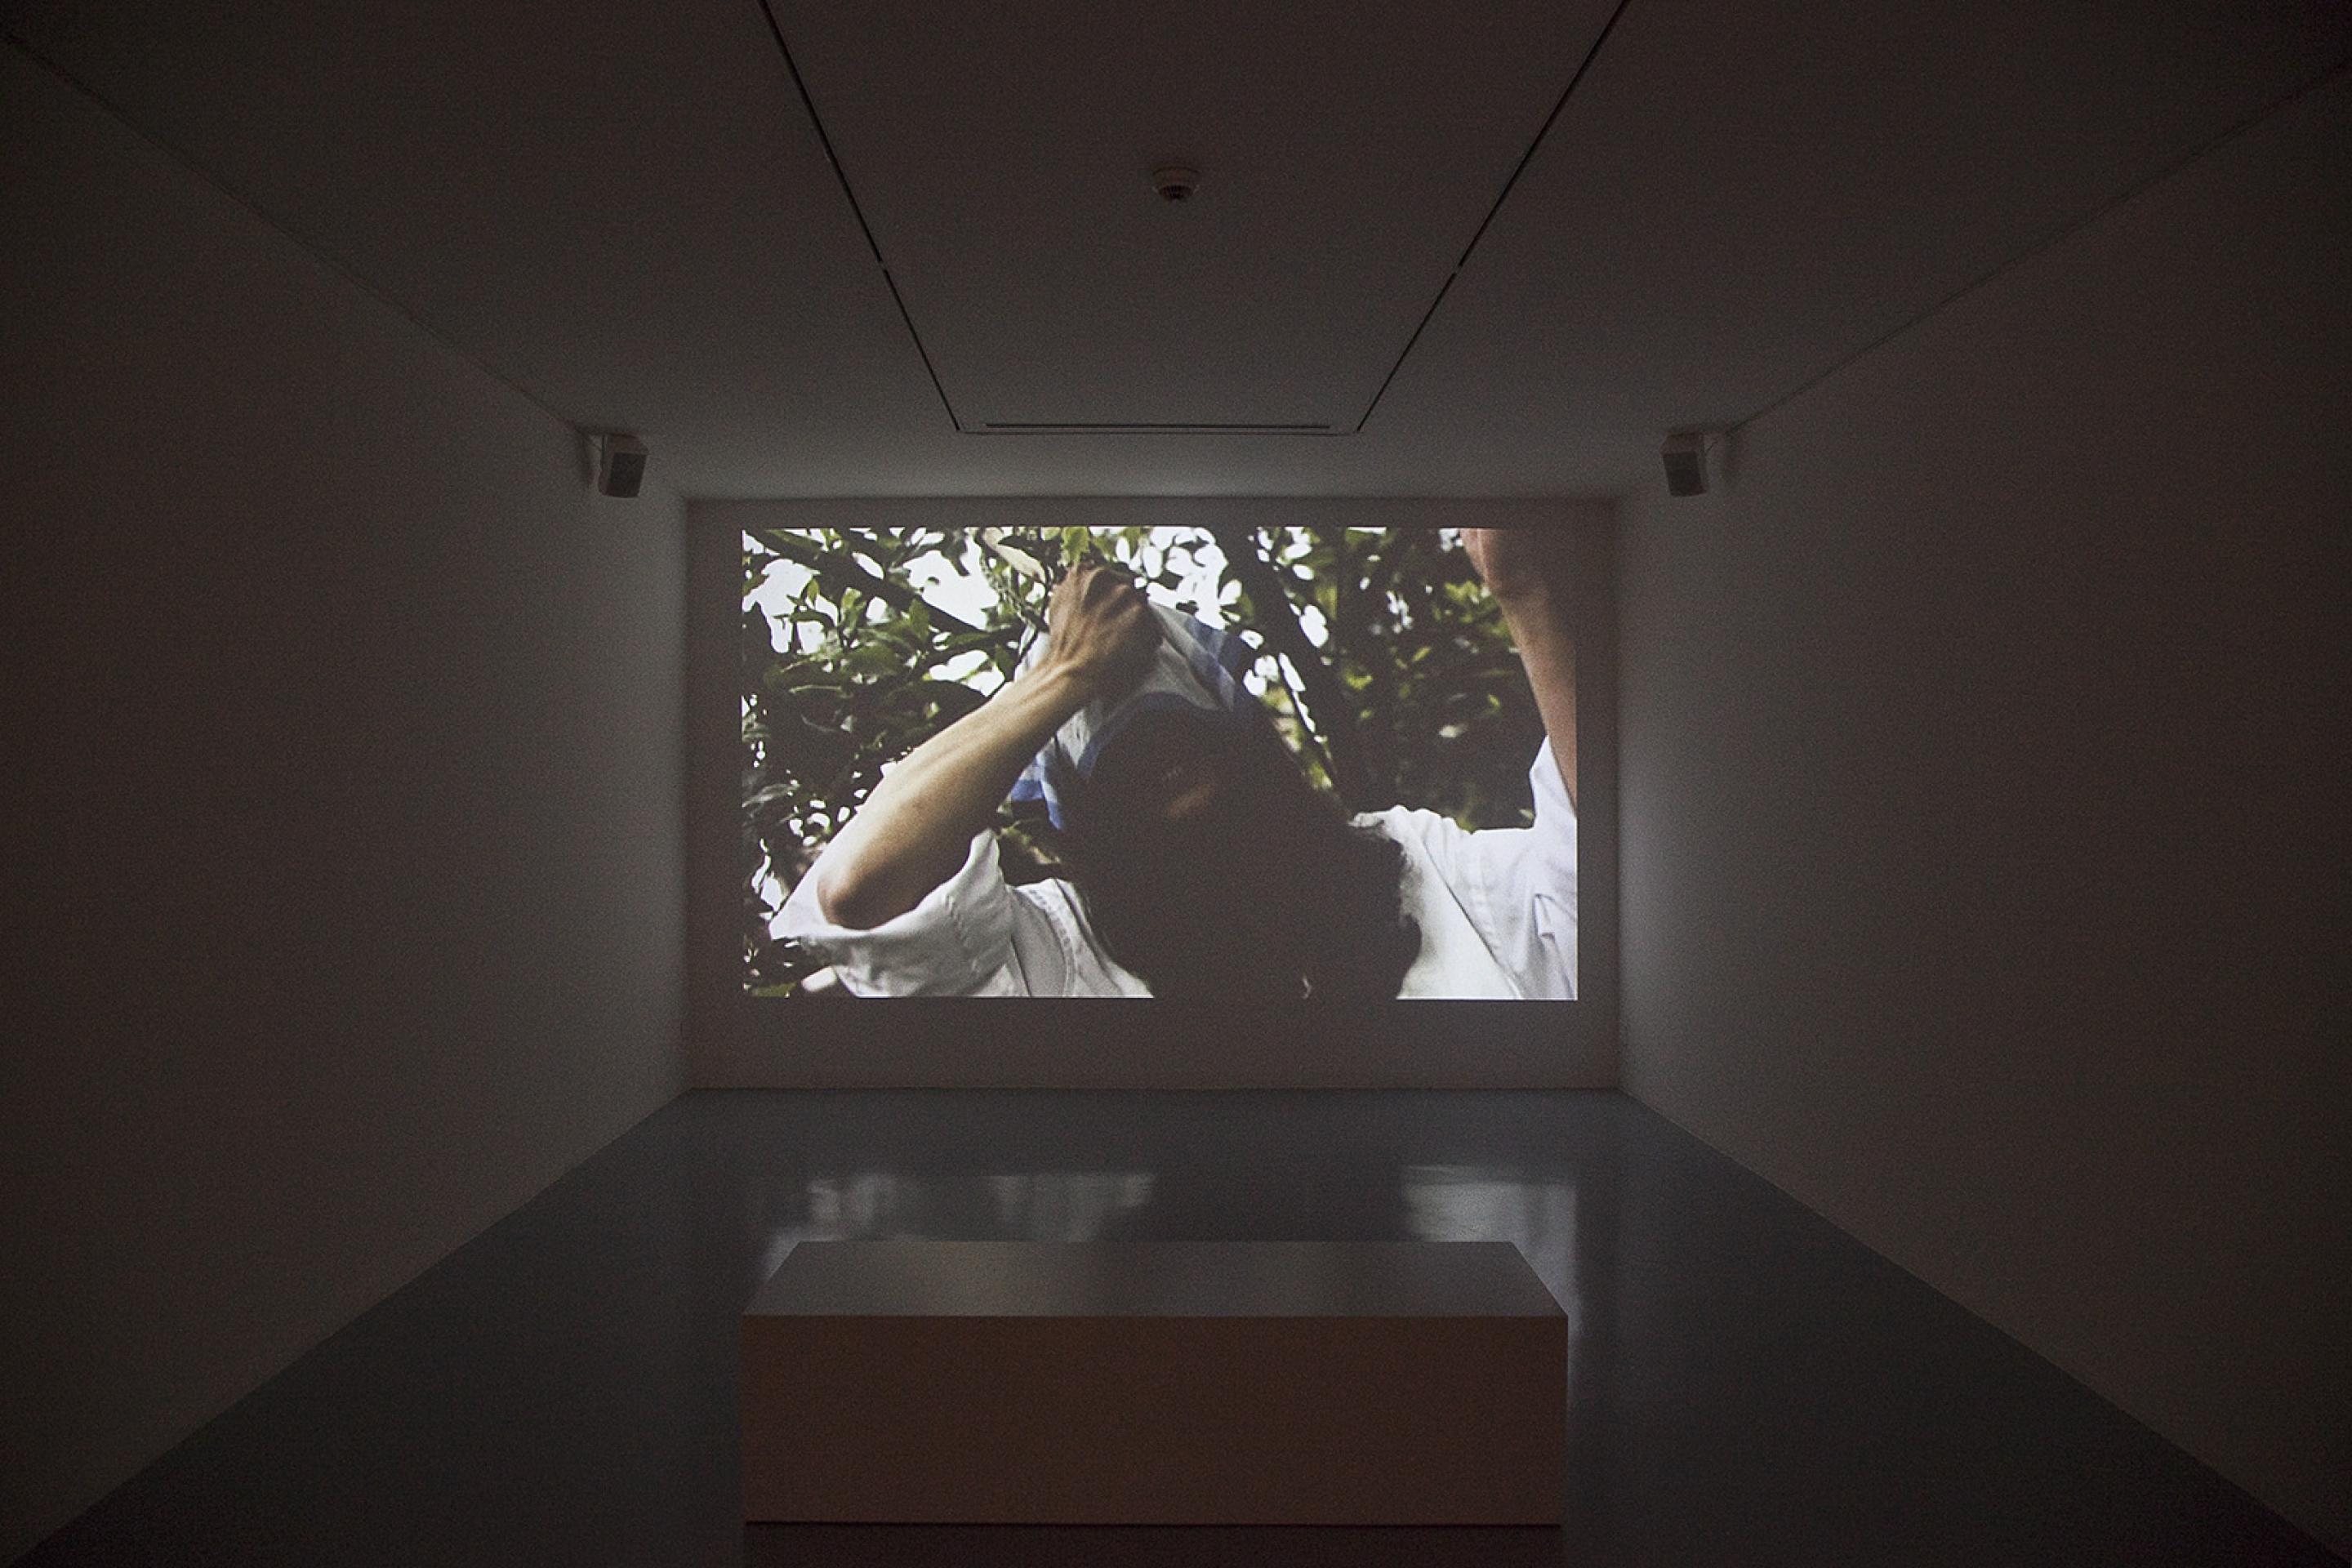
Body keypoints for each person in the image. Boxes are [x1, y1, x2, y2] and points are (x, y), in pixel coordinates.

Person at [777, 528, 1578, 1000]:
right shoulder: (1050, 945)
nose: (1159, 758)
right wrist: (1067, 674)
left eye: (1180, 730)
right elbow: (862, 891)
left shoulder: (1422, 870)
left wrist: (1523, 591)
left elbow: (1597, 874)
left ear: (1244, 743)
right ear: (1078, 809)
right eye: (1120, 757)